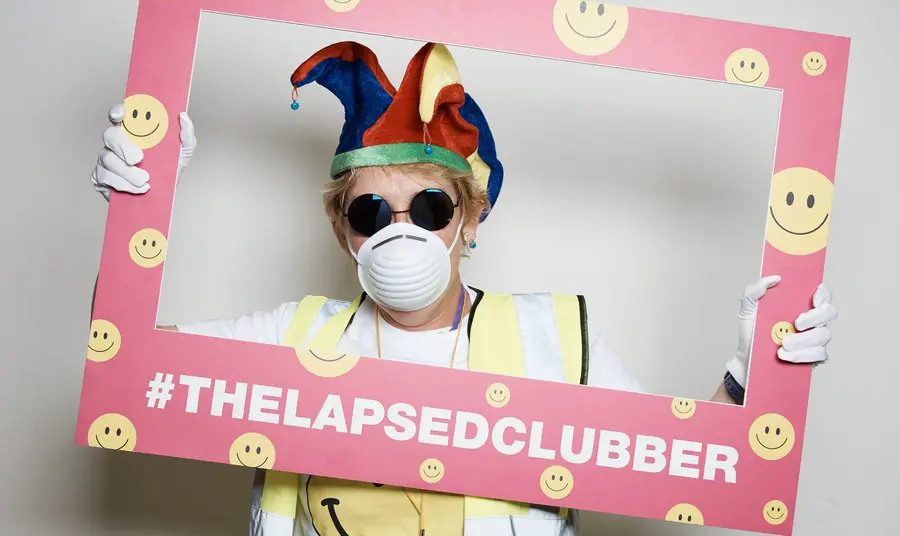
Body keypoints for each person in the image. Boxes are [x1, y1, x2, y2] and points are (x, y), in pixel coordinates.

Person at [90, 41, 837, 536]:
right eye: (370, 212)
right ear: (342, 232)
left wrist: (753, 374)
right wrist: (140, 206)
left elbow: (685, 470)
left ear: (470, 219)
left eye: (431, 208)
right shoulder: (294, 336)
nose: (398, 234)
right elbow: (126, 373)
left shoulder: (557, 337)